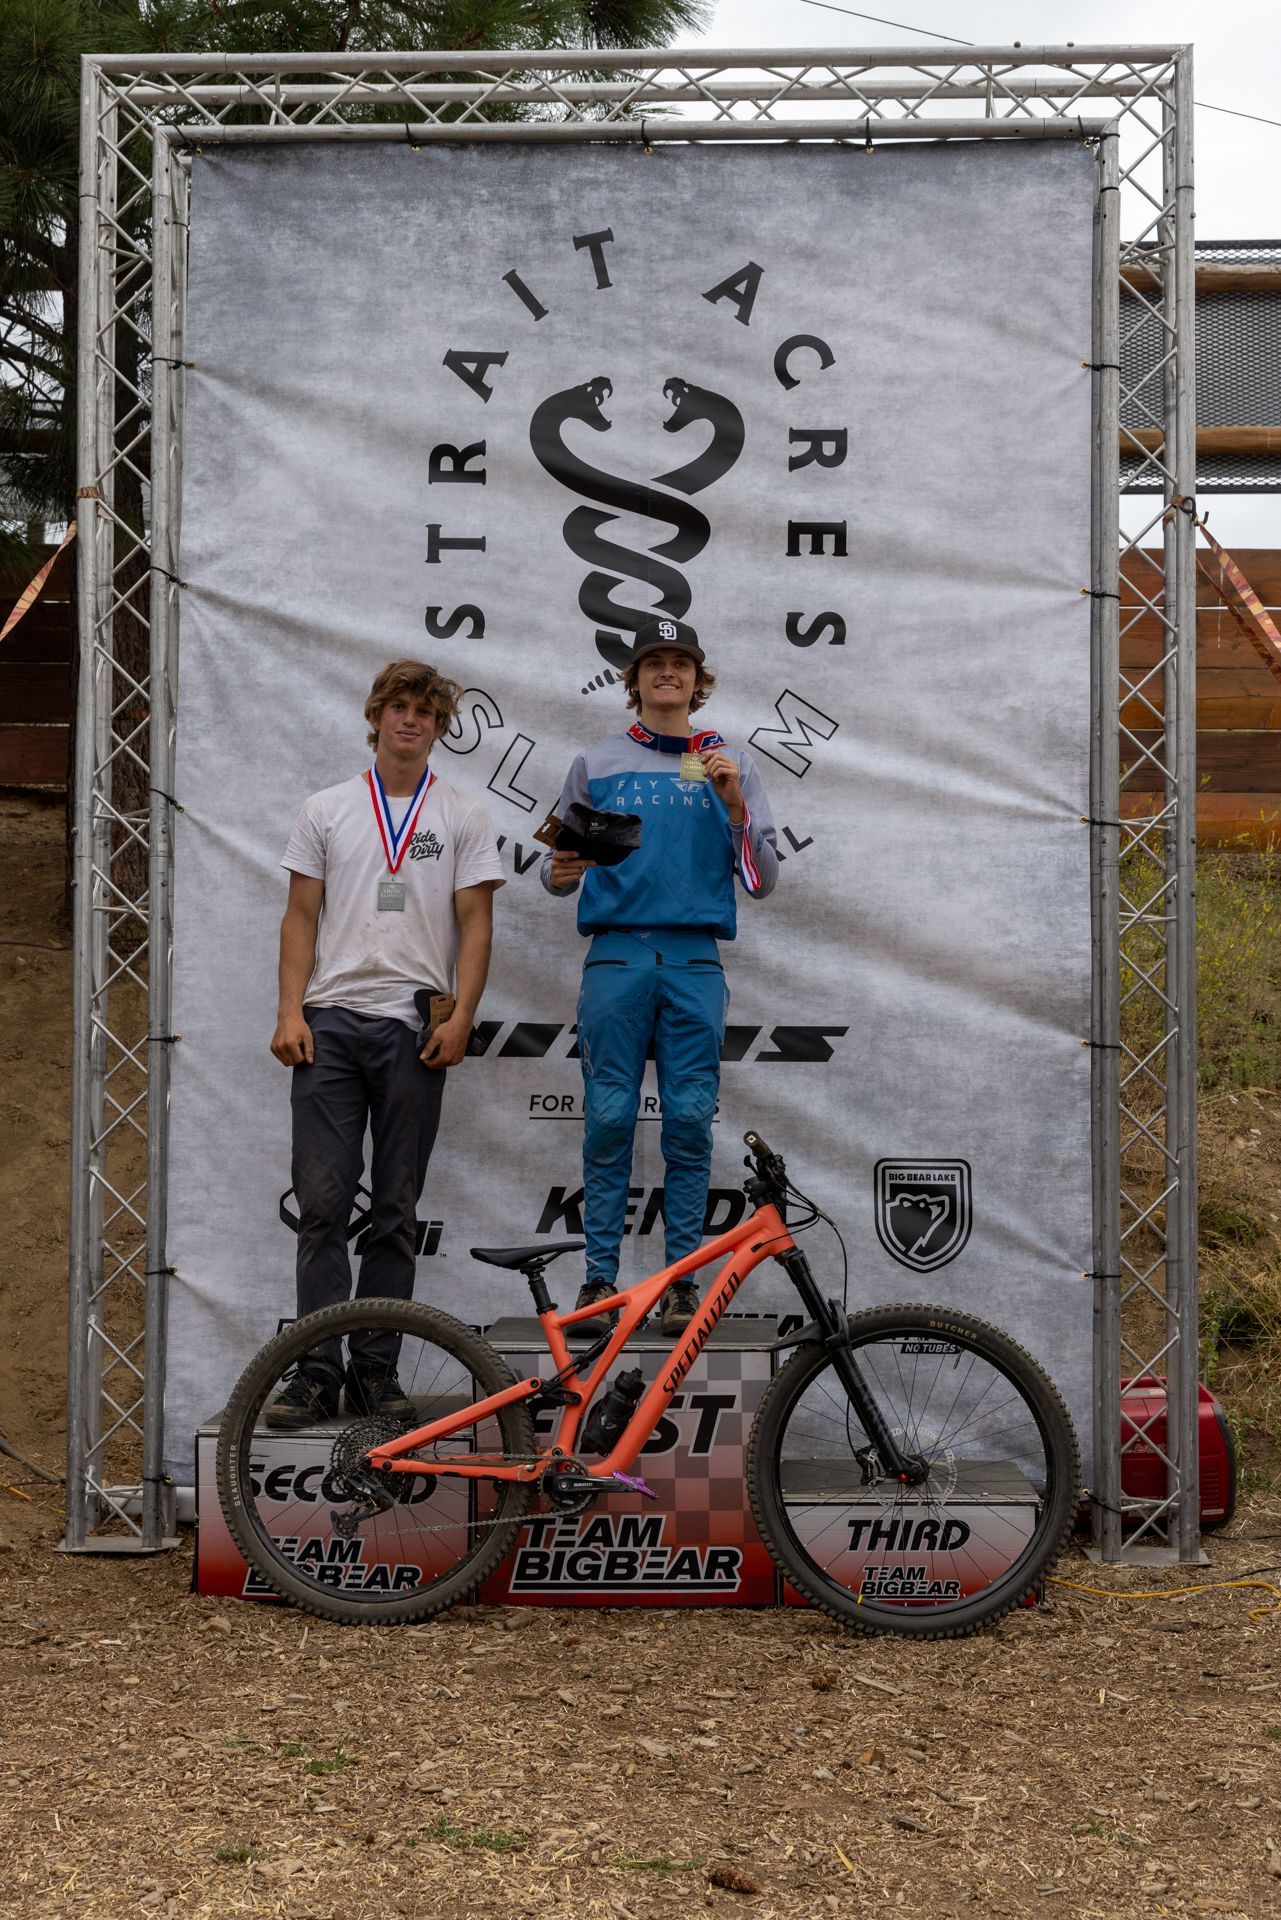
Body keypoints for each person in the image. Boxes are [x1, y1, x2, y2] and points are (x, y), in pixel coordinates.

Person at [265, 660, 503, 1427]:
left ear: (439, 726)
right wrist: (288, 1011)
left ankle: (375, 1371)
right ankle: (313, 1373)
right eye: (397, 707)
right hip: (329, 1023)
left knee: (395, 1210)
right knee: (324, 1204)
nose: (410, 720)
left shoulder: (461, 814)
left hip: (413, 1027)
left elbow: (477, 923)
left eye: (425, 712)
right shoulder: (327, 808)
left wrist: (461, 1015)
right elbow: (300, 915)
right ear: (375, 715)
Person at [541, 616, 779, 1338]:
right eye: (654, 663)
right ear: (635, 679)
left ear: (697, 681)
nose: (667, 673)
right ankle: (599, 1278)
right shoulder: (596, 761)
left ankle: (679, 1283)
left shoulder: (730, 763)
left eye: (681, 663)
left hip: (693, 959)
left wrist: (734, 806)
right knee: (610, 1118)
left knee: (685, 1120)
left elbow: (764, 880)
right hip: (615, 954)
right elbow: (558, 872)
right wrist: (559, 871)